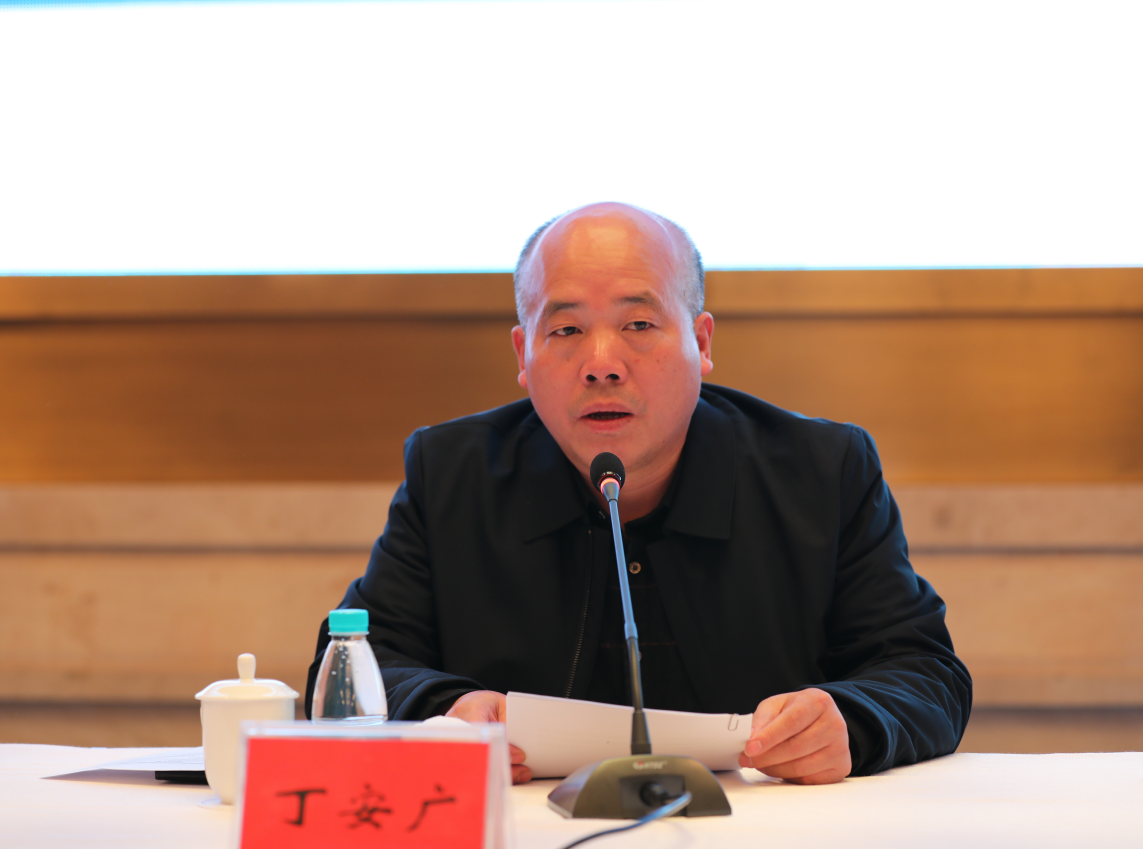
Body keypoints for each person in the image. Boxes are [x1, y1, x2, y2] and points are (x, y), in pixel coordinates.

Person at [307, 202, 971, 786]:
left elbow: (922, 669)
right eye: (566, 330)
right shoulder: (453, 475)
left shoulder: (821, 472)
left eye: (639, 325)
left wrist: (851, 721)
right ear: (522, 354)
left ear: (700, 342)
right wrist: (447, 710)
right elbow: (353, 665)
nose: (601, 363)